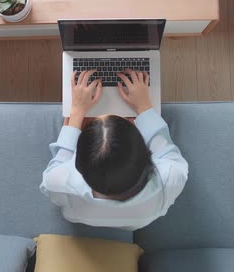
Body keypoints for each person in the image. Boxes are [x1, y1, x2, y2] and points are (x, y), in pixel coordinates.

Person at [39, 68, 189, 231]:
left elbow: (57, 164)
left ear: (78, 165)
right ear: (145, 151)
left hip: (81, 215)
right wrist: (144, 107)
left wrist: (76, 113)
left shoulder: (57, 183)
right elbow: (167, 151)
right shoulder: (170, 179)